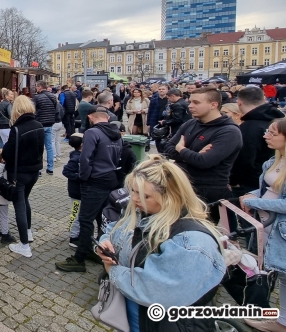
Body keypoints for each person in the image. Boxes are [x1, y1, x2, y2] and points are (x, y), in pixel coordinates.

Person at [96, 157, 225, 332]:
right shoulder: (143, 210)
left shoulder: (191, 243)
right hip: (137, 311)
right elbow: (116, 227)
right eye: (132, 191)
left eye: (144, 195)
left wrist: (112, 270)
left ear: (170, 196)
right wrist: (105, 242)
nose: (134, 199)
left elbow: (155, 290)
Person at [55, 105, 122, 272]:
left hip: (95, 181)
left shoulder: (92, 133)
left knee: (85, 220)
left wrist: (84, 178)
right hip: (110, 179)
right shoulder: (117, 134)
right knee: (101, 219)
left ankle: (79, 259)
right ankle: (96, 250)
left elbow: (85, 159)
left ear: (91, 117)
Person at [164, 87, 242, 222]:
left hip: (207, 191)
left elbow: (204, 161)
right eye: (190, 102)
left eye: (196, 102)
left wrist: (182, 149)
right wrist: (191, 155)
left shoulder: (229, 132)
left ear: (213, 105)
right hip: (181, 185)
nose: (190, 106)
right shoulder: (191, 123)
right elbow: (168, 148)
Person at [240, 118, 286, 332]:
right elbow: (268, 188)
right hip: (267, 226)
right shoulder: (274, 160)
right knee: (280, 276)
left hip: (280, 229)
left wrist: (253, 202)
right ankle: (281, 321)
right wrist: (252, 194)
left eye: (272, 133)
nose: (266, 136)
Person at [2, 95, 45, 258]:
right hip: (34, 172)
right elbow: (41, 149)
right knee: (25, 200)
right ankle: (28, 232)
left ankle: (24, 245)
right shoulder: (39, 125)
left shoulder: (17, 129)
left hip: (19, 173)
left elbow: (7, 153)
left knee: (19, 204)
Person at [231, 86, 285, 199]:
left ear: (239, 103)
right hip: (266, 183)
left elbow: (244, 159)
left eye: (272, 134)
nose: (266, 136)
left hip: (250, 184)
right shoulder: (277, 119)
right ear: (263, 99)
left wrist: (233, 180)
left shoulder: (249, 127)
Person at [62, 133, 84, 248]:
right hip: (76, 191)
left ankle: (76, 233)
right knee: (75, 214)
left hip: (79, 191)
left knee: (78, 213)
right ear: (81, 144)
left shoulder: (79, 155)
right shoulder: (76, 158)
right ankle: (73, 236)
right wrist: (79, 176)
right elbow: (66, 172)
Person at [31, 80, 58, 175]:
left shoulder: (37, 97)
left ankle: (39, 170)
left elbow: (32, 110)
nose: (36, 88)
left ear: (40, 87)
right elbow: (55, 109)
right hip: (50, 124)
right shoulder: (53, 96)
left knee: (39, 147)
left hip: (39, 125)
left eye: (36, 86)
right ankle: (50, 168)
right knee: (49, 147)